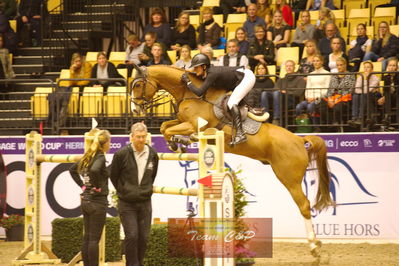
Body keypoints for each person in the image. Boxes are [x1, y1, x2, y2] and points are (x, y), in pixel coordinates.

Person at [181, 53, 257, 145]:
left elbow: (199, 92)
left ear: (204, 66)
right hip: (238, 78)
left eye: (196, 67)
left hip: (246, 77)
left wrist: (188, 82)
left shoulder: (212, 74)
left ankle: (240, 134)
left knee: (232, 102)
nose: (194, 69)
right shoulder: (208, 72)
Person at [111, 122, 159, 266]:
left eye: (143, 137)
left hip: (145, 202)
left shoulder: (152, 154)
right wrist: (124, 190)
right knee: (132, 236)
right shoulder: (121, 154)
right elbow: (114, 176)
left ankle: (139, 262)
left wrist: (145, 189)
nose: (141, 140)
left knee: (144, 237)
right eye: (138, 137)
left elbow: (152, 175)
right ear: (131, 137)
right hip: (127, 203)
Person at [69, 129, 111, 266]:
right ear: (105, 144)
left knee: (87, 238)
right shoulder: (100, 157)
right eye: (109, 142)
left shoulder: (88, 155)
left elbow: (72, 170)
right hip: (97, 202)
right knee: (94, 240)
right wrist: (97, 186)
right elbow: (94, 170)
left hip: (86, 201)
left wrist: (83, 186)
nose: (110, 145)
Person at [48, 53, 92, 124]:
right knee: (57, 97)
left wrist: (76, 83)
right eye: (76, 61)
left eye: (79, 61)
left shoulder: (87, 65)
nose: (78, 63)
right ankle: (54, 120)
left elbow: (86, 81)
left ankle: (60, 121)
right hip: (74, 87)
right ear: (73, 62)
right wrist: (72, 72)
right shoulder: (72, 68)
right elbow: (71, 82)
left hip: (83, 87)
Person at [296, 55, 330, 131]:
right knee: (298, 107)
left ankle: (316, 127)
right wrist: (308, 97)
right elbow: (307, 88)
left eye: (317, 61)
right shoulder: (311, 74)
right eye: (314, 61)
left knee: (310, 107)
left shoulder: (327, 74)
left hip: (321, 98)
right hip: (310, 98)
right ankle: (302, 127)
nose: (315, 63)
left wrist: (315, 97)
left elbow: (327, 90)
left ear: (322, 62)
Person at [322, 57, 355, 126]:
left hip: (344, 99)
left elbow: (350, 90)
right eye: (338, 65)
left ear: (345, 65)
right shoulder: (334, 76)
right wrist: (330, 98)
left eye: (341, 65)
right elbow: (330, 89)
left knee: (337, 107)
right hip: (333, 99)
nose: (339, 67)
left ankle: (336, 124)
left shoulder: (351, 75)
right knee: (320, 105)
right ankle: (327, 125)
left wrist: (338, 99)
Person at [272, 60, 306, 125]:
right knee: (265, 94)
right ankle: (265, 119)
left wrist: (286, 92)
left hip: (292, 100)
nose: (289, 67)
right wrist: (282, 92)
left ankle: (276, 118)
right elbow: (275, 89)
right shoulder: (281, 80)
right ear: (285, 68)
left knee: (277, 93)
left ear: (294, 67)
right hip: (280, 99)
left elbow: (299, 92)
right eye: (287, 66)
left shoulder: (300, 79)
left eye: (291, 66)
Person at [350, 61, 380, 125]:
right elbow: (356, 89)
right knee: (355, 96)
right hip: (363, 94)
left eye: (368, 67)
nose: (366, 69)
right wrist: (363, 90)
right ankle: (354, 118)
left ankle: (360, 118)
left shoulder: (376, 78)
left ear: (372, 69)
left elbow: (369, 90)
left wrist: (367, 79)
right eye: (365, 67)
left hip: (372, 96)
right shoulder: (360, 77)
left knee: (362, 95)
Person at [379, 57, 399, 127]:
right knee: (384, 97)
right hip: (389, 98)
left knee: (388, 96)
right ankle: (384, 120)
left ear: (397, 67)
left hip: (397, 97)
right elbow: (385, 90)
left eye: (394, 65)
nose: (391, 67)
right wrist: (383, 97)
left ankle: (387, 117)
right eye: (390, 65)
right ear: (387, 66)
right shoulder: (386, 77)